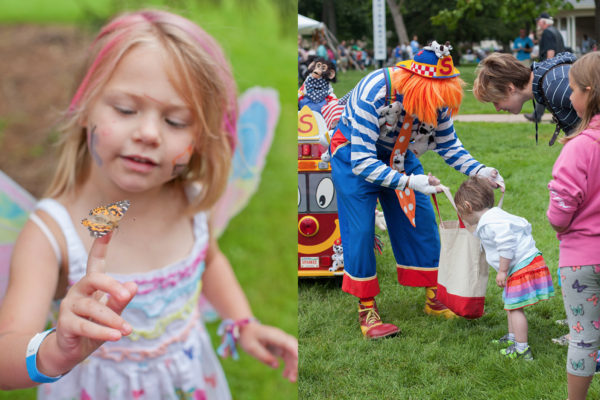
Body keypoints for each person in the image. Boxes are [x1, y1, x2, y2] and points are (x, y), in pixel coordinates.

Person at [0, 9, 297, 398]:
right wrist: (55, 350)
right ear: (86, 107)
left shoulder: (192, 204)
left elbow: (210, 262)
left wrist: (242, 323)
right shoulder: (52, 232)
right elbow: (6, 354)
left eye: (175, 122)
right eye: (126, 109)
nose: (148, 133)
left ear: (201, 139)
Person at [329, 41, 504, 339]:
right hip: (353, 155)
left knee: (420, 220)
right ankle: (367, 307)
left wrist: (479, 170)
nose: (439, 108)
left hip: (399, 153)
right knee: (359, 230)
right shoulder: (376, 90)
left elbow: (448, 144)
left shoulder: (438, 98)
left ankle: (434, 295)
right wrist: (409, 182)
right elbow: (361, 160)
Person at [546, 51, 600, 400]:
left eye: (572, 89)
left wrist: (558, 224)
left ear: (589, 92)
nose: (568, 97)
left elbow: (561, 209)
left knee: (583, 338)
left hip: (581, 262)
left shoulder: (578, 148)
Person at [454, 177, 554, 360]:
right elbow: (485, 234)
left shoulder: (492, 222)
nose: (461, 217)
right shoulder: (493, 216)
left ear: (467, 206)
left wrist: (502, 270)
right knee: (510, 304)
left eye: (460, 212)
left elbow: (506, 244)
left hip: (521, 266)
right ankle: (512, 337)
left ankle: (522, 349)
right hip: (526, 263)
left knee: (515, 308)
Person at [473, 51, 579, 144]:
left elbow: (595, 109)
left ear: (510, 88)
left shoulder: (554, 85)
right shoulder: (544, 85)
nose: (497, 108)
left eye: (496, 101)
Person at [525, 12, 565, 123]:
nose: (538, 23)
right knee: (548, 92)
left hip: (551, 66)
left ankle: (539, 116)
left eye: (539, 21)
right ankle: (555, 117)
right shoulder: (556, 31)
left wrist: (547, 67)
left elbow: (550, 50)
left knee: (543, 91)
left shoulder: (547, 32)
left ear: (543, 22)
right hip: (560, 66)